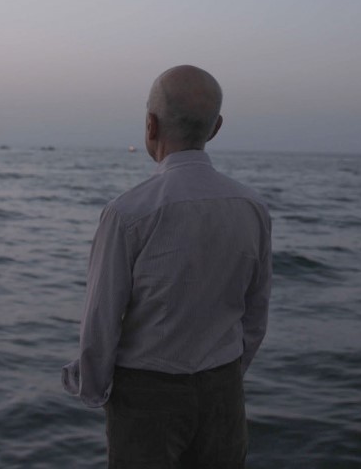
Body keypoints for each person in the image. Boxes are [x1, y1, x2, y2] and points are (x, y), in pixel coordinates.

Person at [62, 65, 273, 468]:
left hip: (146, 398)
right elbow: (256, 313)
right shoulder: (252, 208)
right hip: (224, 391)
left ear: (150, 125)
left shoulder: (127, 213)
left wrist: (91, 387)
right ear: (215, 128)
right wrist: (225, 376)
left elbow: (101, 321)